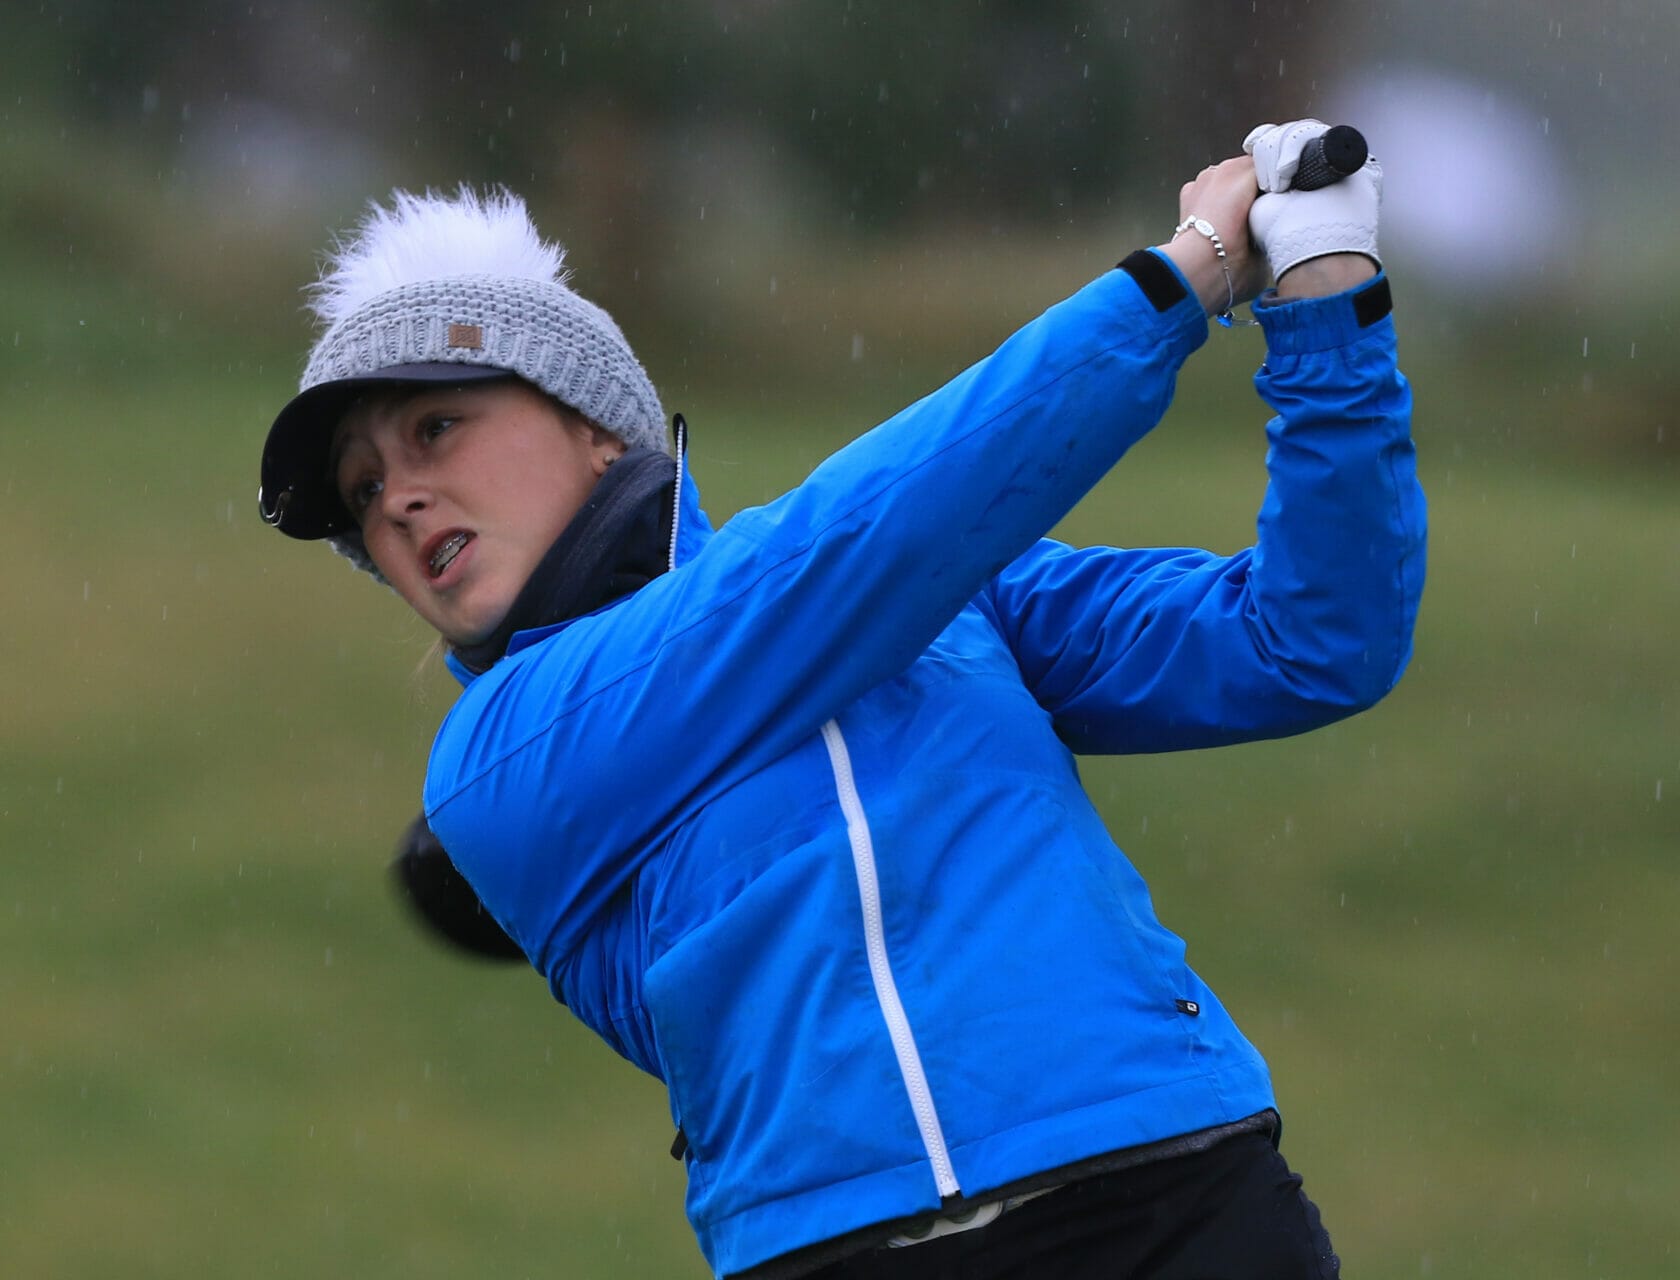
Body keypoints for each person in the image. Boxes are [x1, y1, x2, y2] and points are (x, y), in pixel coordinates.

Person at [257, 119, 1424, 1279]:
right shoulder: (497, 765)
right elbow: (843, 557)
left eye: (437, 428)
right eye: (363, 491)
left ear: (593, 423)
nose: (397, 499)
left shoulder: (934, 588)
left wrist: (1326, 289)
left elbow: (1311, 637)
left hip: (1175, 1190)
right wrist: (1178, 281)